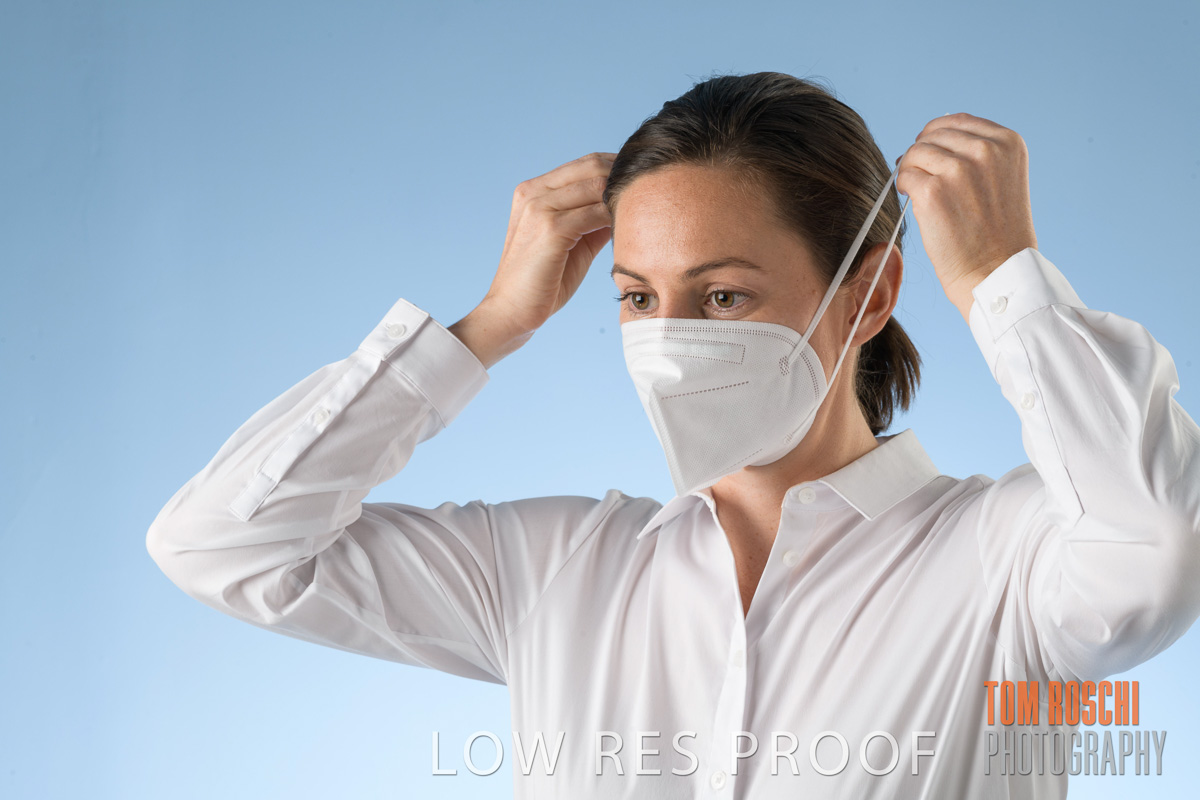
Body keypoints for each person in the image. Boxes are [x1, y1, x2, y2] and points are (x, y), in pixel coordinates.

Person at [146, 72, 1200, 798]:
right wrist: (487, 327)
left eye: (725, 295)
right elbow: (224, 545)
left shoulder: (1010, 561)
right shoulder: (557, 571)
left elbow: (1160, 553)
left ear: (870, 295)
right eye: (638, 297)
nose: (669, 342)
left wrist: (1004, 285)